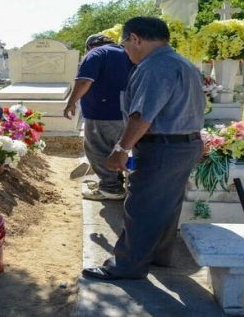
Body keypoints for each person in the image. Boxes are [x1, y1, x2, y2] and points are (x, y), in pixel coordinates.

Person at [82, 17, 204, 280]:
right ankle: (157, 256)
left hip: (162, 146)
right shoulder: (181, 63)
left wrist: (121, 148)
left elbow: (141, 115)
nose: (126, 51)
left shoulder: (155, 66)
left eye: (125, 45)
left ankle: (126, 267)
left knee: (141, 207)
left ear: (135, 38)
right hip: (184, 144)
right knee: (167, 207)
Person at [64, 34, 133, 200]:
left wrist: (71, 103)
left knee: (98, 150)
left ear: (89, 46)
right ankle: (116, 182)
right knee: (118, 148)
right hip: (128, 114)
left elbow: (84, 81)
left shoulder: (96, 54)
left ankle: (111, 188)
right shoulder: (128, 53)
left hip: (102, 112)